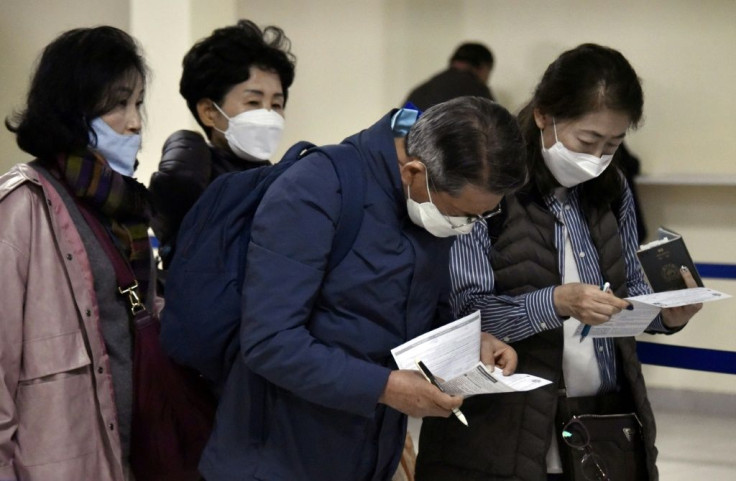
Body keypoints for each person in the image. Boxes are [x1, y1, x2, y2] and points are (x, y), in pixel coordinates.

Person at [198, 96, 529, 480]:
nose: (469, 226)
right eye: (464, 213)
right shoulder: (316, 189)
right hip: (277, 459)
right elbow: (269, 341)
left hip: (370, 455)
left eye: (484, 215)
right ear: (414, 173)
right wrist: (385, 387)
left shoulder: (432, 203)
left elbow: (419, 313)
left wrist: (468, 346)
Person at [415, 44, 703, 481]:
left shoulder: (612, 186)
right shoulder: (490, 184)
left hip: (602, 419)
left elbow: (627, 294)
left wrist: (664, 316)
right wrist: (556, 303)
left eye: (613, 143)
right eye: (587, 141)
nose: (597, 158)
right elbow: (464, 316)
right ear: (543, 116)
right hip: (502, 427)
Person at [1, 27, 151, 480]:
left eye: (139, 102)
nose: (136, 121)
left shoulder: (125, 206)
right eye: (118, 104)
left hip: (132, 452)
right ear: (73, 109)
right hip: (60, 459)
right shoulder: (22, 205)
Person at [149, 20, 296, 273]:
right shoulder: (191, 173)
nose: (268, 115)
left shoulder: (284, 180)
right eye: (253, 102)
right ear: (209, 112)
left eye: (277, 104)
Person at [405, 42, 495, 111]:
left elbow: (399, 131)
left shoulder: (421, 90)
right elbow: (495, 129)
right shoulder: (478, 91)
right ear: (484, 67)